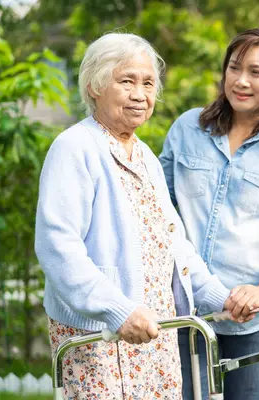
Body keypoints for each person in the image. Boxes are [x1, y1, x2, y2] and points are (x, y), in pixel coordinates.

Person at [35, 32, 230, 400]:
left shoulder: (145, 157)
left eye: (148, 83)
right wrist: (118, 310)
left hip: (154, 336)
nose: (140, 94)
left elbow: (174, 246)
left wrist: (221, 297)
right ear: (94, 85)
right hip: (101, 339)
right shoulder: (74, 148)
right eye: (126, 81)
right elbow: (57, 247)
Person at [159, 27, 259, 400]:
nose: (241, 81)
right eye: (234, 68)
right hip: (185, 310)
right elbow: (158, 209)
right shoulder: (187, 128)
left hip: (256, 319)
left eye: (256, 71)